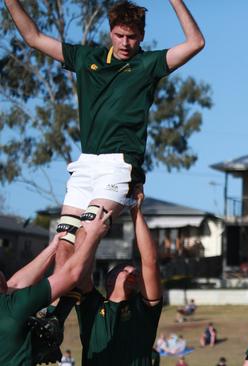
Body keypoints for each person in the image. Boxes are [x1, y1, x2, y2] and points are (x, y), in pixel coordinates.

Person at [4, 0, 205, 337]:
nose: (125, 43)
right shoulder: (88, 59)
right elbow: (33, 37)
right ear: (110, 32)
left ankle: (55, 315)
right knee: (65, 244)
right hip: (85, 163)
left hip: (118, 166)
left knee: (86, 233)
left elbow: (195, 43)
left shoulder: (148, 64)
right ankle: (56, 318)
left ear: (141, 36)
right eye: (119, 35)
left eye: (131, 37)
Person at [0, 209, 110, 365]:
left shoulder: (8, 305)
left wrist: (52, 249)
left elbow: (16, 284)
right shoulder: (12, 306)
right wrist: (93, 235)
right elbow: (72, 274)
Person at [75, 189, 163, 365]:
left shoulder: (144, 310)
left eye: (135, 273)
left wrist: (135, 209)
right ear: (109, 280)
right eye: (125, 271)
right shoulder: (91, 305)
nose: (133, 274)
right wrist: (96, 220)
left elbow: (150, 262)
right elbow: (79, 257)